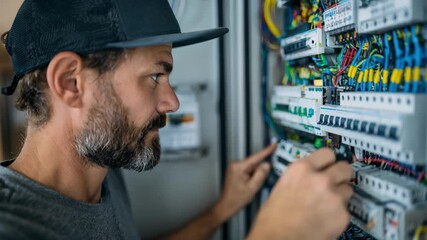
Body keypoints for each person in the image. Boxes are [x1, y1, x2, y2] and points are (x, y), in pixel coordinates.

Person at [0, 0, 352, 239]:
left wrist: (221, 209)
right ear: (70, 82)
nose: (172, 101)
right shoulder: (13, 227)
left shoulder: (101, 172)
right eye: (155, 76)